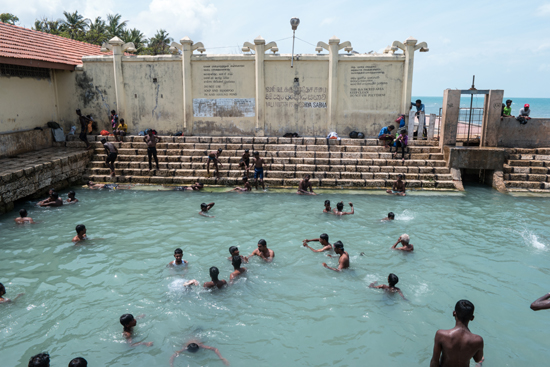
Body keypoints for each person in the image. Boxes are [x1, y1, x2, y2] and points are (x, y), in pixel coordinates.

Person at [429, 300, 484, 367]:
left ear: (454, 313)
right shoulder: (478, 340)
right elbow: (477, 359)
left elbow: (434, 361)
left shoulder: (441, 335)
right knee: (479, 363)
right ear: (472, 318)